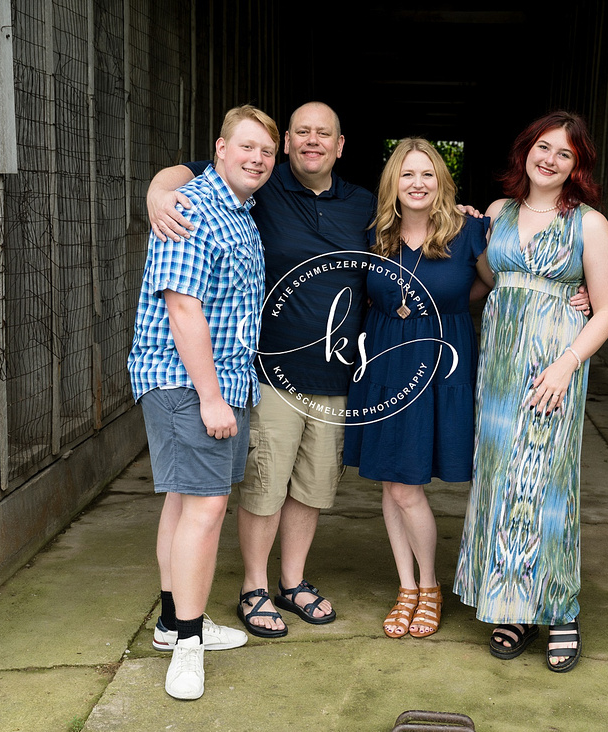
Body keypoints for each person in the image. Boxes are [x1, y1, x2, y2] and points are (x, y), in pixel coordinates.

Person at [146, 102, 376, 637]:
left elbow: (420, 220)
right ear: (289, 145)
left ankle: (292, 582)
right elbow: (185, 173)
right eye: (302, 133)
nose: (313, 141)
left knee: (312, 486)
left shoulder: (363, 203)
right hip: (268, 373)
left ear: (341, 146)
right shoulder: (259, 189)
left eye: (325, 134)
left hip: (335, 377)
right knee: (265, 485)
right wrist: (159, 193)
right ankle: (251, 588)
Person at [453, 111, 608, 673]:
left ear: (577, 167)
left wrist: (567, 364)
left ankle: (560, 608)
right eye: (543, 147)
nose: (550, 159)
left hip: (554, 368)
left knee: (548, 486)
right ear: (526, 150)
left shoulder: (589, 225)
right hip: (498, 367)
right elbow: (481, 280)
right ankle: (511, 604)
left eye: (564, 154)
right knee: (501, 480)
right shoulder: (497, 214)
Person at [127, 104, 280, 699]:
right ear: (219, 149)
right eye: (246, 147)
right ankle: (187, 647)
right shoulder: (192, 207)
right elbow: (182, 306)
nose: (257, 159)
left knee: (185, 502)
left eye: (266, 152)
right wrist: (212, 398)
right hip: (188, 384)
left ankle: (173, 624)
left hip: (219, 383)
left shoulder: (239, 213)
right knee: (206, 510)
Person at [343, 138, 490, 639]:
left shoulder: (471, 231)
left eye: (428, 174)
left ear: (443, 182)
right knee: (392, 479)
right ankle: (406, 585)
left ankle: (429, 586)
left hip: (440, 361)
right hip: (384, 357)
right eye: (407, 175)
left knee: (407, 485)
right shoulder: (374, 233)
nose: (418, 183)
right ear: (393, 184)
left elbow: (503, 278)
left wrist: (581, 290)